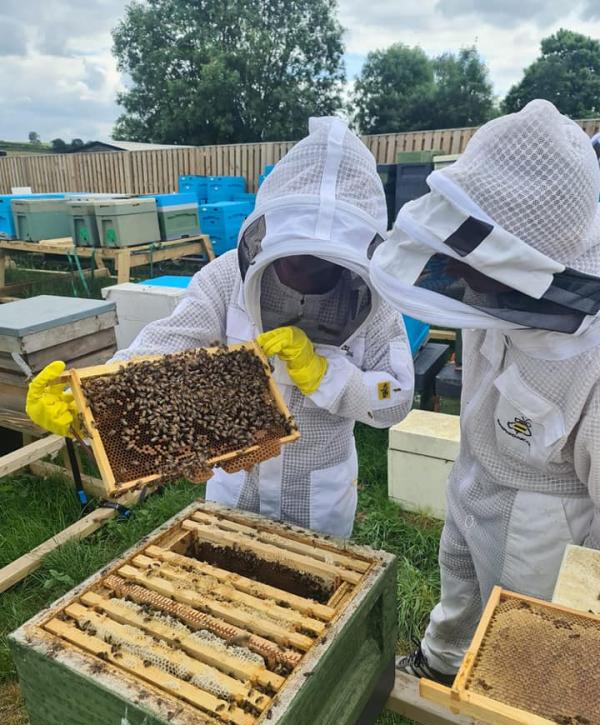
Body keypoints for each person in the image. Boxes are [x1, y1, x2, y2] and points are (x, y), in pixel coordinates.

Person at [27, 117, 414, 538]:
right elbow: (164, 346)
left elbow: (392, 397)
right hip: (234, 484)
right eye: (286, 253)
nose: (294, 267)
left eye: (314, 260)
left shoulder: (375, 304)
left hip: (318, 493)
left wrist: (327, 374)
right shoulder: (224, 277)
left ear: (349, 257)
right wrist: (91, 400)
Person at [370, 99, 600, 725]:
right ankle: (442, 659)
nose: (460, 276)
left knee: (530, 635)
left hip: (546, 523)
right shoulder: (487, 298)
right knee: (460, 581)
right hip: (476, 475)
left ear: (529, 259)